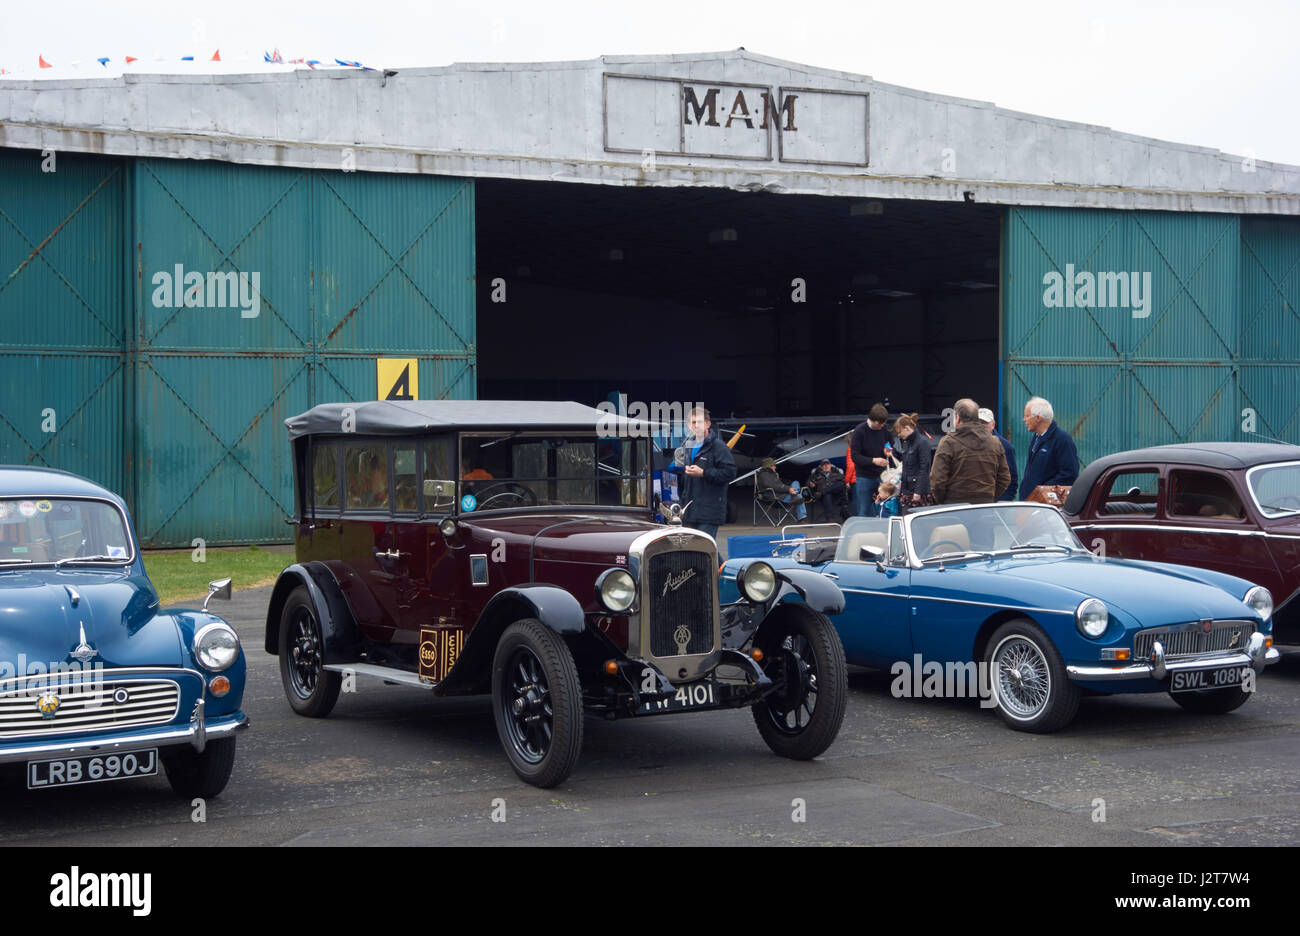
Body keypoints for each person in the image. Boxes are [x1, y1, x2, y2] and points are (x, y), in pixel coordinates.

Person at [929, 398, 1010, 505]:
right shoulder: (995, 442)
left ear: (957, 418)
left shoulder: (948, 442)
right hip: (985, 506)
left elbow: (938, 480)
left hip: (954, 507)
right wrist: (989, 497)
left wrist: (944, 502)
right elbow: (1004, 478)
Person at [678, 406, 736, 538]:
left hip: (709, 511)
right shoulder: (687, 445)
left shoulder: (719, 447)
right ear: (688, 425)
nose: (696, 425)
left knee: (703, 547)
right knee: (693, 549)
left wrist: (704, 473)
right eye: (693, 422)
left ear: (707, 424)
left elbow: (730, 472)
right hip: (689, 510)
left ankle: (722, 560)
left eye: (699, 422)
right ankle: (722, 560)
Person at [1018, 397, 1080, 500]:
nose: (1024, 419)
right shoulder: (1036, 438)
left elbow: (1069, 474)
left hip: (1044, 507)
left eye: (1027, 416)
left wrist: (1042, 491)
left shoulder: (1062, 439)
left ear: (1038, 418)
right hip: (1030, 503)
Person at [849, 403, 891, 516]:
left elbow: (890, 444)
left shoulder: (885, 429)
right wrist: (873, 461)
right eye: (880, 424)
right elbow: (855, 456)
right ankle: (863, 532)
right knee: (864, 510)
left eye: (884, 423)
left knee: (887, 507)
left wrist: (888, 451)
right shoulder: (859, 431)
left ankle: (885, 531)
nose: (882, 426)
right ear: (874, 421)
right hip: (864, 476)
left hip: (883, 476)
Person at [891, 413, 933, 512]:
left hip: (918, 491)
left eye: (899, 432)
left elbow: (925, 468)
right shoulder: (906, 442)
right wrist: (893, 453)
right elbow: (906, 460)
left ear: (906, 428)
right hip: (907, 489)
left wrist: (918, 491)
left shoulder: (922, 442)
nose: (898, 435)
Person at [978, 408, 1019, 501]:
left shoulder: (1006, 447)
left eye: (985, 423)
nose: (981, 426)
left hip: (996, 504)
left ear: (993, 424)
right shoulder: (967, 445)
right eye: (978, 423)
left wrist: (1002, 504)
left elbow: (1011, 480)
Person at [756, 457, 807, 522]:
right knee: (799, 496)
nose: (775, 467)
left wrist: (789, 486)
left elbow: (780, 484)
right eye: (773, 465)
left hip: (781, 494)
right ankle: (801, 519)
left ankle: (794, 495)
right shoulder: (763, 475)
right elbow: (774, 486)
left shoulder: (773, 474)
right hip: (772, 496)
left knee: (795, 482)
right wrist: (788, 489)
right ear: (769, 466)